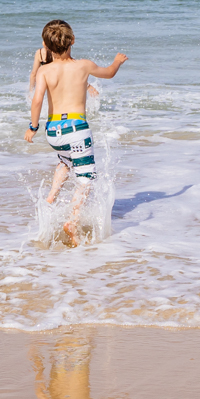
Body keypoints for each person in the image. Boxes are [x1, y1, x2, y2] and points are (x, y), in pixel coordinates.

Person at [24, 19, 128, 246]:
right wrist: (117, 62)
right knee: (86, 178)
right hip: (77, 129)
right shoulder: (83, 65)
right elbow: (109, 73)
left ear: (46, 46)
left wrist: (33, 127)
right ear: (72, 41)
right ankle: (72, 221)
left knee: (65, 159)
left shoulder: (44, 70)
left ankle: (52, 195)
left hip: (54, 131)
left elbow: (37, 100)